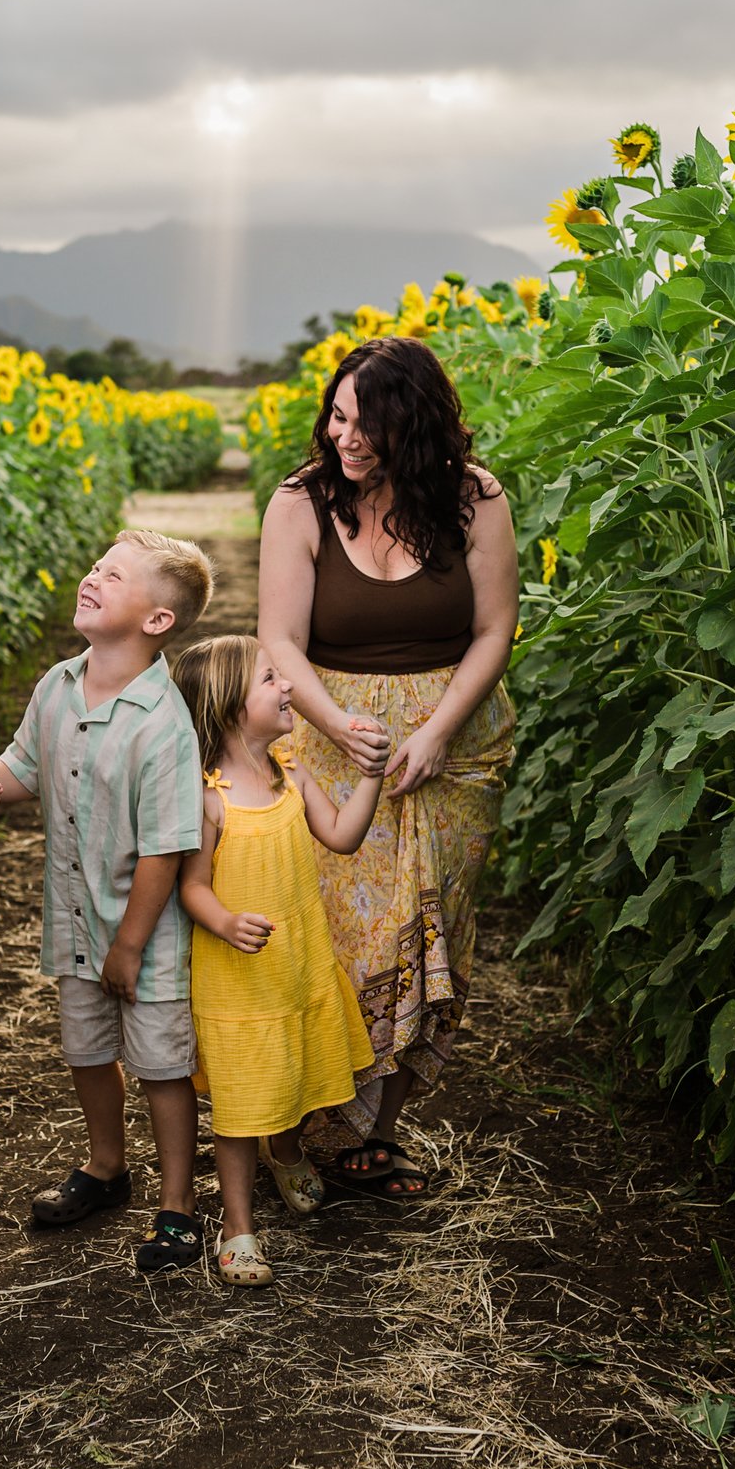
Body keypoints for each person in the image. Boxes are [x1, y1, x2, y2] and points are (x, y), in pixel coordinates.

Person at [257, 334, 520, 1198]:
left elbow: (493, 629)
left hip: (456, 743)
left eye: (370, 423)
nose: (347, 437)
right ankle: (299, 1122)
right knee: (333, 936)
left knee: (432, 929)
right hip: (336, 742)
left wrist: (439, 729)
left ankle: (379, 1133)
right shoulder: (299, 503)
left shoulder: (476, 500)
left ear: (416, 425)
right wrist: (337, 725)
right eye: (338, 416)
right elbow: (280, 642)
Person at [0, 531, 218, 1272]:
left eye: (112, 576)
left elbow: (166, 845)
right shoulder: (58, 683)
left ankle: (179, 1206)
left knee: (160, 1064)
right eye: (94, 566)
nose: (91, 578)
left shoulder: (162, 721)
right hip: (75, 913)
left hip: (142, 933)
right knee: (86, 1048)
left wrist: (130, 941)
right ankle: (106, 1165)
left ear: (157, 620)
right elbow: (24, 765)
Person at [171, 636, 384, 1287]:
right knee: (239, 1105)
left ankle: (286, 1151)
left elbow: (343, 836)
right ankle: (239, 1228)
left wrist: (373, 775)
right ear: (232, 705)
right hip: (235, 979)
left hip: (295, 962)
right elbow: (192, 886)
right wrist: (227, 921)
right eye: (271, 679)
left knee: (292, 1070)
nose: (288, 686)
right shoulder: (212, 797)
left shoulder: (290, 770)